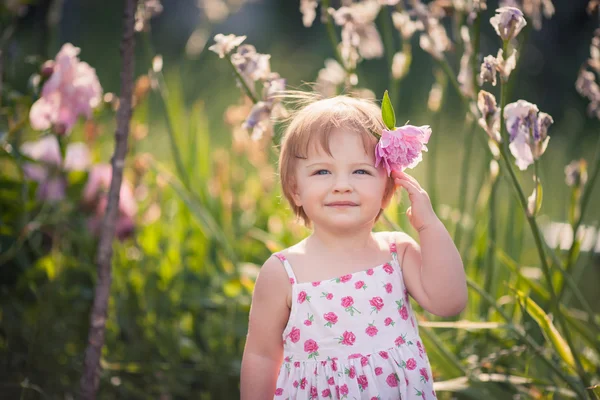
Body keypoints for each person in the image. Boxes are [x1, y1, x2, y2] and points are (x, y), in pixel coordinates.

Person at [240, 94, 467, 399]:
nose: (342, 184)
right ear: (295, 190)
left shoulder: (396, 253)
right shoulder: (283, 272)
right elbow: (262, 356)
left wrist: (429, 226)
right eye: (322, 171)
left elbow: (449, 302)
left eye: (361, 171)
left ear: (388, 188)